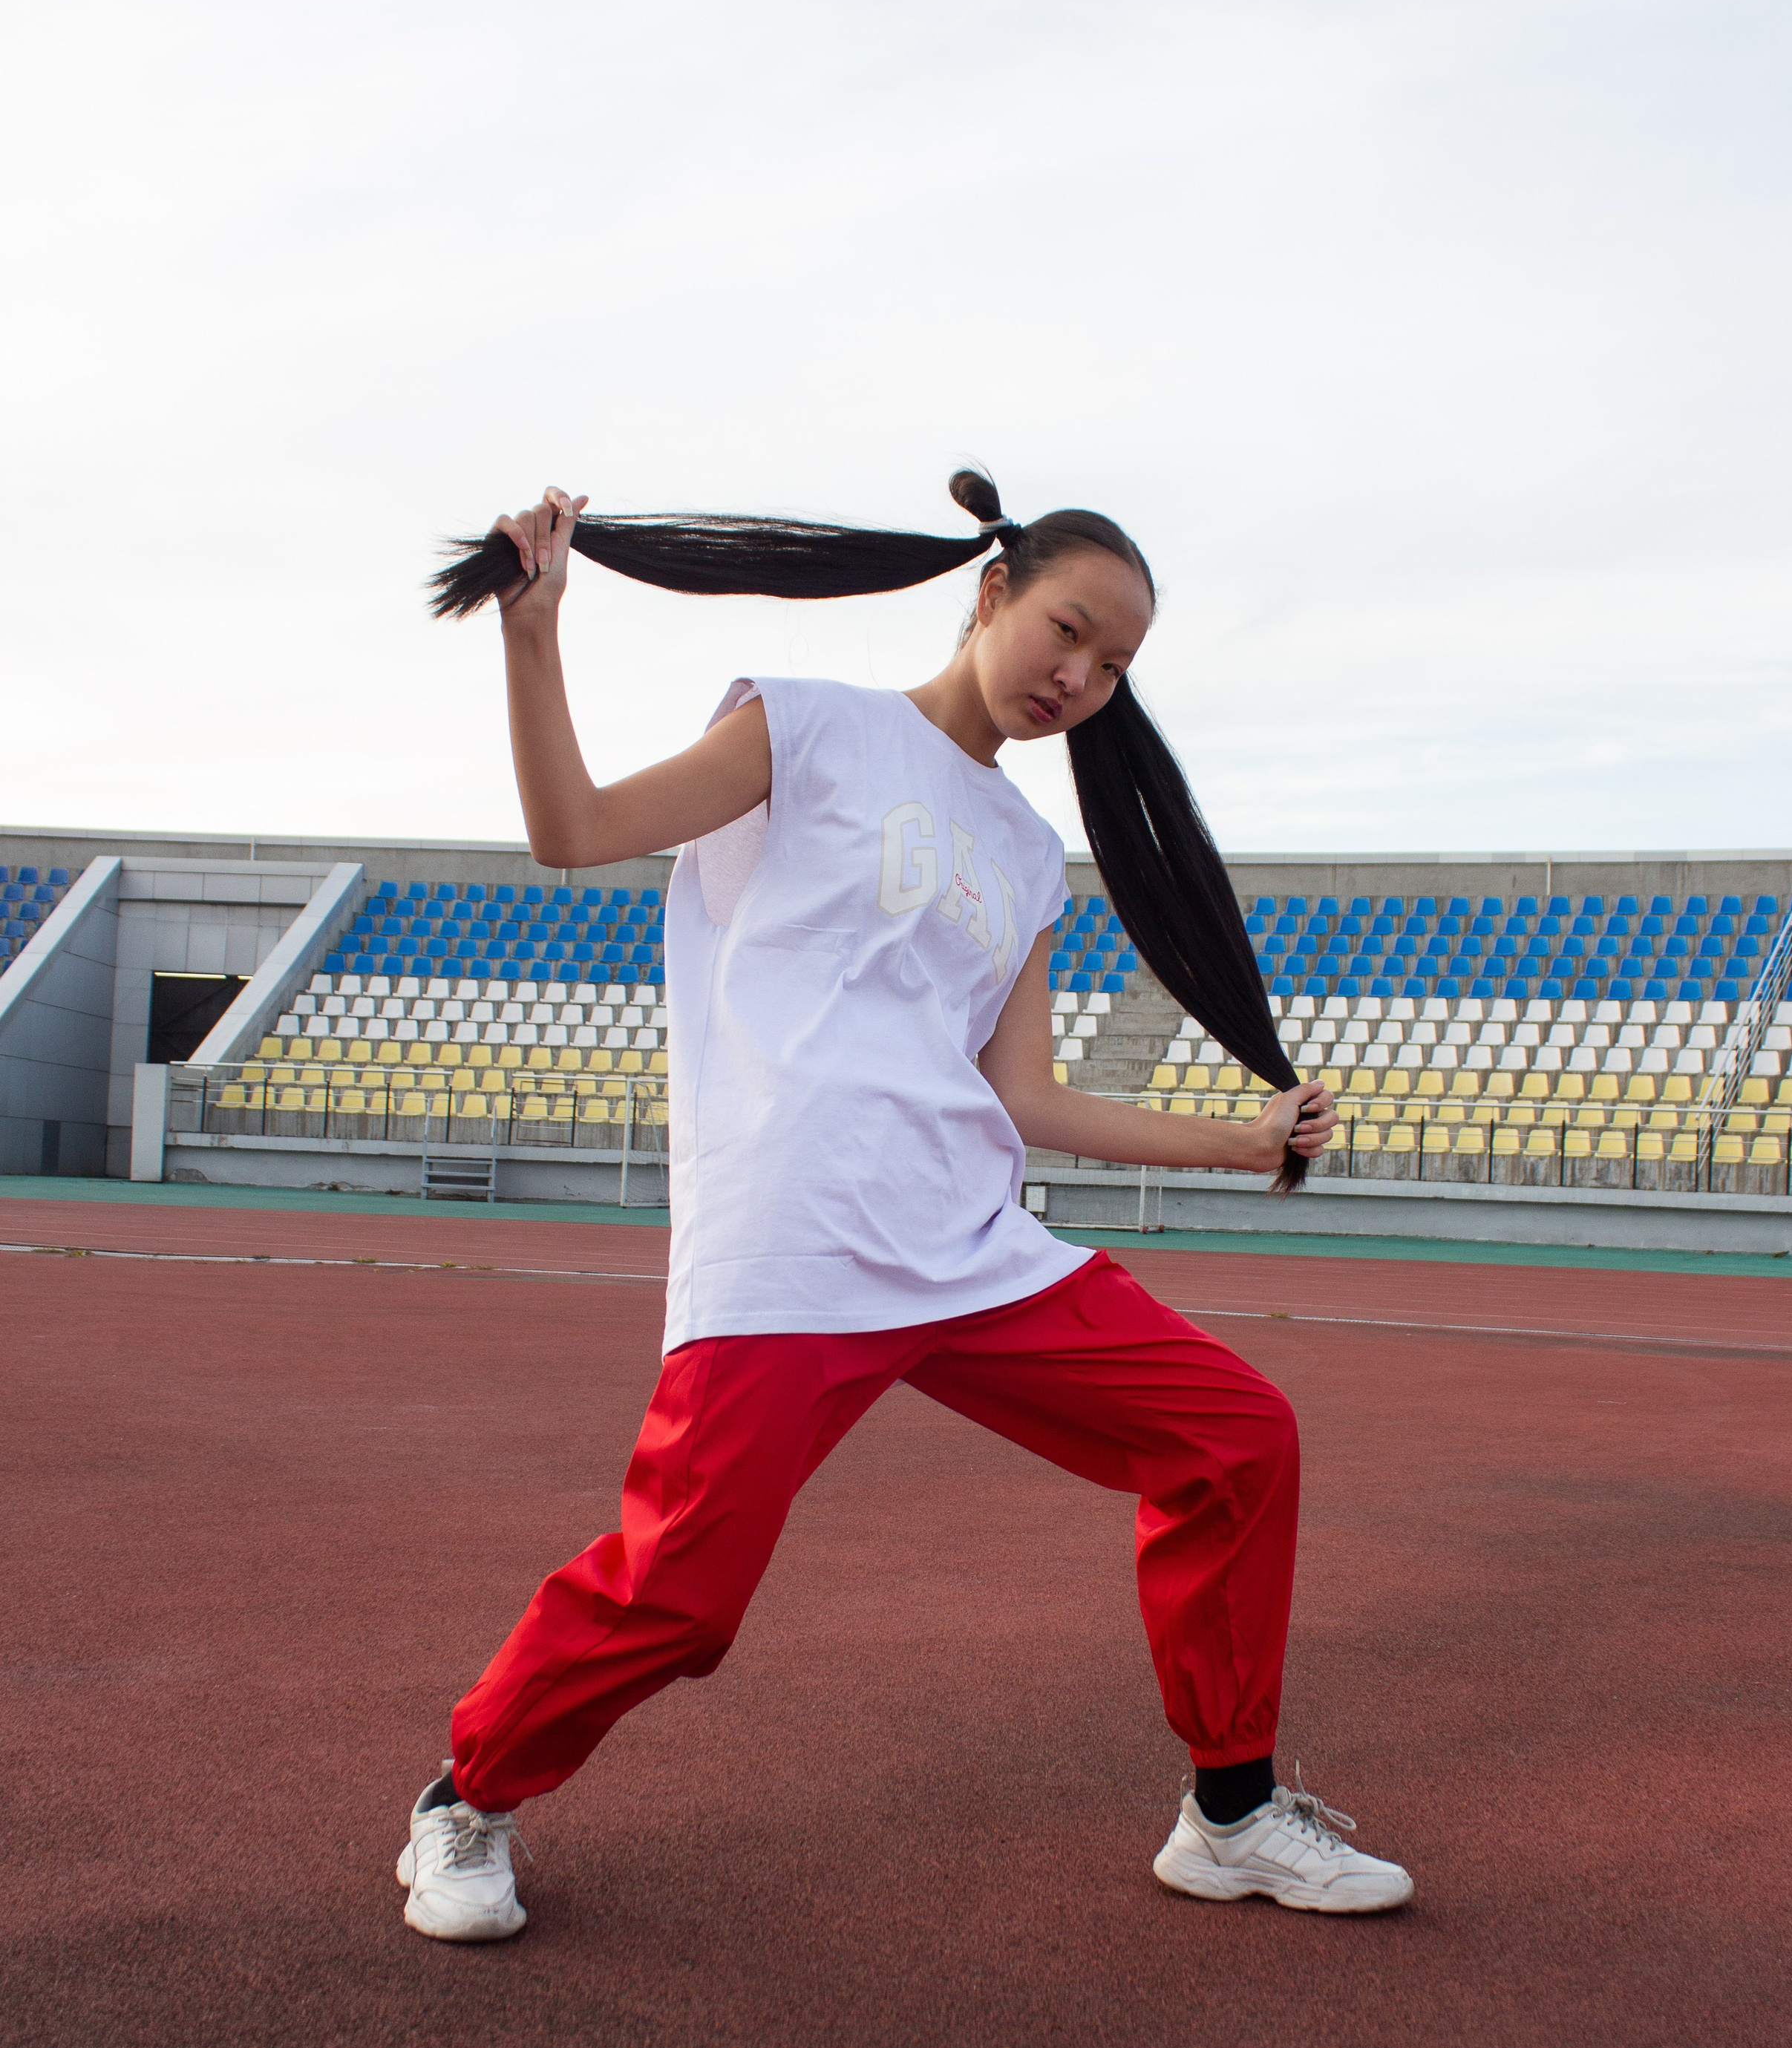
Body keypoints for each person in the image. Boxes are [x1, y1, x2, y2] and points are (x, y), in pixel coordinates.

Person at [397, 473, 1413, 1940]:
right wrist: (533, 633)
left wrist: (1238, 1143)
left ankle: (1233, 1813)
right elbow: (573, 828)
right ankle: (467, 1797)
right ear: (991, 593)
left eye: (1116, 665)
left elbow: (1023, 1097)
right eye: (1069, 630)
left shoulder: (1021, 853)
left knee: (1235, 1437)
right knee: (681, 1596)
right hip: (791, 1246)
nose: (1081, 677)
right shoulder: (806, 726)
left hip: (969, 1249)